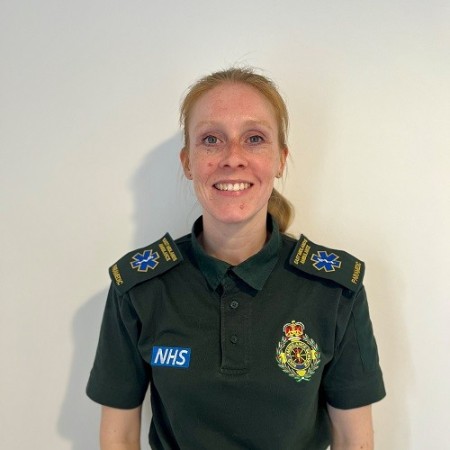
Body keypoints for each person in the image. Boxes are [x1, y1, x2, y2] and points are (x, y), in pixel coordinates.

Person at [87, 67, 386, 450]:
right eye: (211, 139)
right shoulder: (138, 287)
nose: (233, 157)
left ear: (280, 159)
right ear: (188, 161)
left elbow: (353, 441)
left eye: (255, 138)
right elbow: (119, 438)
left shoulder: (335, 288)